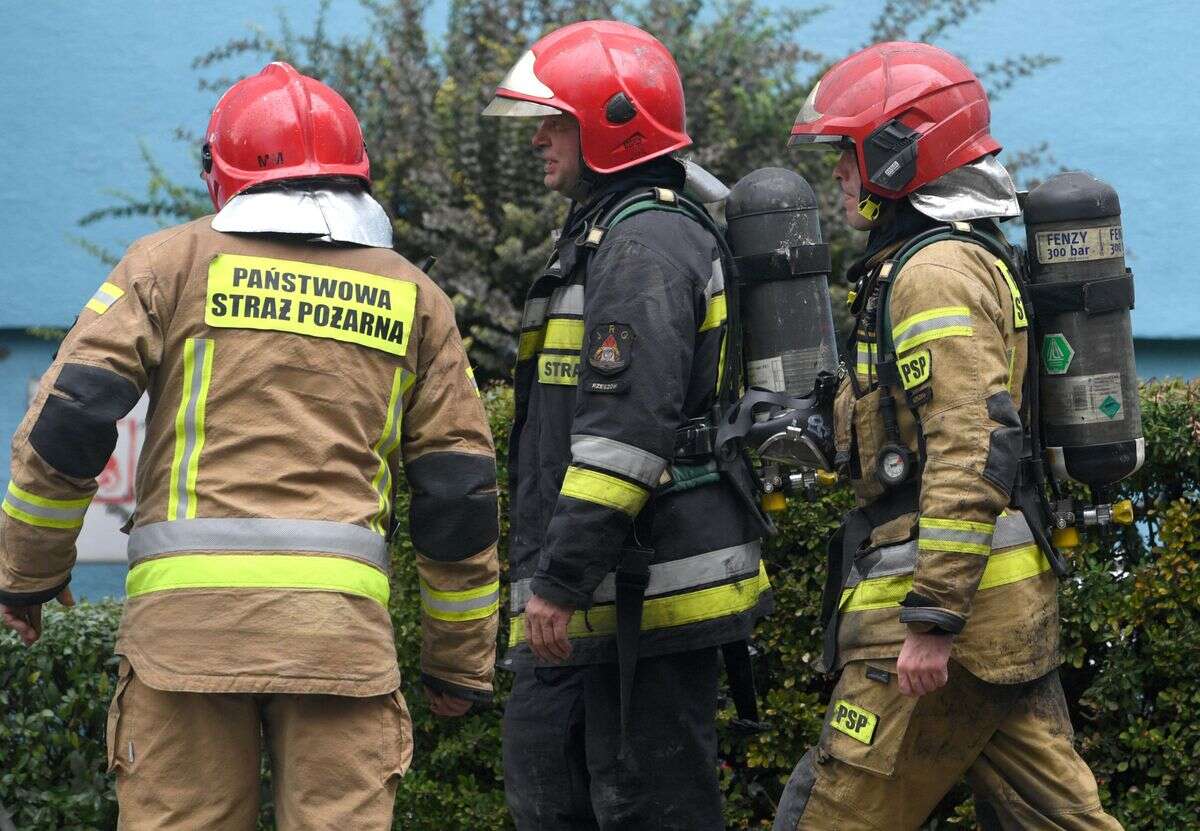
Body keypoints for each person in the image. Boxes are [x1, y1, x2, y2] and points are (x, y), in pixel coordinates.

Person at [0, 62, 500, 829]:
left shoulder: (166, 265)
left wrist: (26, 573)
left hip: (186, 637)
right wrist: (459, 659)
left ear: (219, 173)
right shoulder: (415, 295)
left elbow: (71, 418)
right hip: (338, 641)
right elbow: (458, 488)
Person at [772, 41, 1123, 830]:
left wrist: (932, 619)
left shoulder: (933, 272)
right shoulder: (946, 259)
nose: (840, 175)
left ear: (899, 154)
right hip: (998, 620)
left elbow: (971, 441)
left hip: (942, 627)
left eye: (849, 154)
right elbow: (910, 422)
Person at [482, 20, 772, 830]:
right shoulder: (610, 234)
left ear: (609, 123)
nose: (538, 138)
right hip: (607, 602)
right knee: (551, 785)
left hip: (638, 602)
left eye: (554, 120)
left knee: (649, 810)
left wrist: (560, 579)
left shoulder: (642, 246)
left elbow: (624, 437)